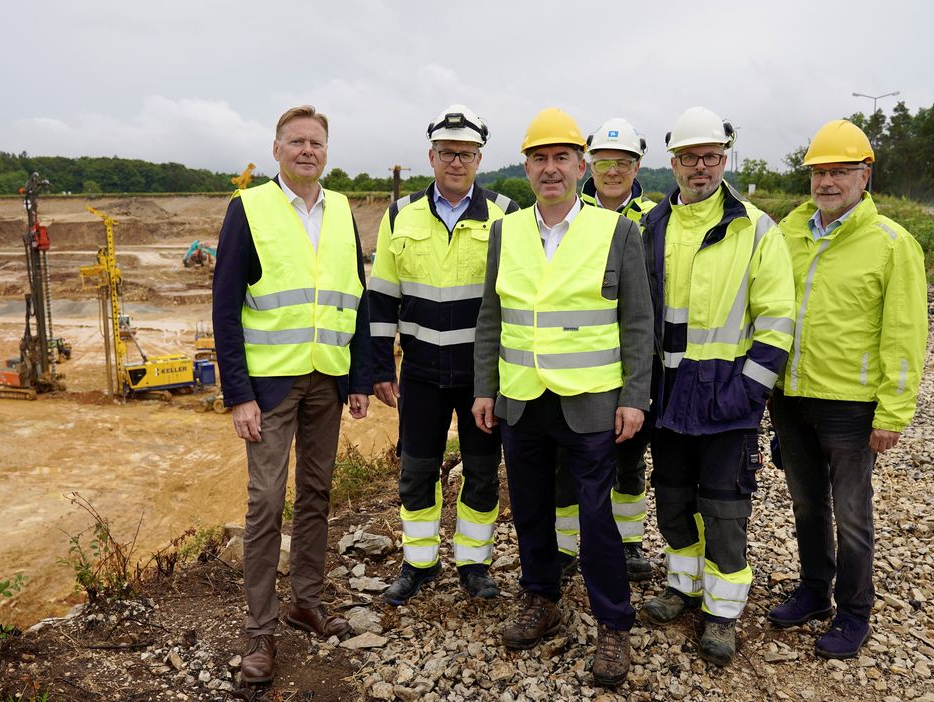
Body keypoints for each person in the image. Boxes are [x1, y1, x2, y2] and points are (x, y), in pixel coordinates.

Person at [472, 108, 653, 687]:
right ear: (525, 167)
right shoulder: (507, 230)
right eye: (539, 159)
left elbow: (638, 323)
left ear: (582, 165)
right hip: (522, 398)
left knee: (596, 516)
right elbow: (491, 317)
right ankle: (542, 597)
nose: (550, 170)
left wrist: (634, 397)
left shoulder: (618, 231)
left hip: (591, 401)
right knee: (528, 507)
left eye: (561, 159)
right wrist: (485, 389)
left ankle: (613, 622)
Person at [212, 105, 372, 685]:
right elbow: (225, 308)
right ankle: (261, 632)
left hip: (326, 379)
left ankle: (306, 600)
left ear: (326, 152)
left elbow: (355, 297)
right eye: (297, 141)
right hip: (270, 386)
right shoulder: (248, 209)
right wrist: (238, 394)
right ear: (277, 148)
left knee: (316, 494)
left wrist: (358, 379)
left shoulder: (342, 209)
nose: (308, 150)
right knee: (265, 504)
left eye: (317, 142)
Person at [638, 106, 796, 665]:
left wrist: (749, 392)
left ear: (724, 159)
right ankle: (684, 585)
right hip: (669, 392)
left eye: (710, 156)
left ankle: (724, 611)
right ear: (673, 163)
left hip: (727, 395)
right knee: (673, 500)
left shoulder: (755, 228)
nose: (699, 167)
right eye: (688, 157)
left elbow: (778, 319)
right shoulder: (652, 226)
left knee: (725, 508)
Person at [768, 119, 928, 659]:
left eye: (839, 171)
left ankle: (854, 611)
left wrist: (893, 411)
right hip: (790, 398)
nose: (827, 182)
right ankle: (814, 591)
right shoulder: (787, 234)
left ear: (865, 175)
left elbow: (905, 333)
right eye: (819, 172)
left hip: (851, 406)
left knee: (852, 514)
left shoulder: (891, 244)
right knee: (806, 505)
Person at [369, 105, 519, 606]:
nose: (457, 161)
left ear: (479, 158)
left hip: (482, 377)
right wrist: (378, 364)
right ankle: (419, 563)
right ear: (431, 156)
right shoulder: (401, 215)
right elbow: (383, 294)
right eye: (448, 153)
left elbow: (516, 299)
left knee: (480, 471)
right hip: (420, 373)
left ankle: (474, 563)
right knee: (416, 469)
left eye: (467, 153)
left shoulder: (505, 213)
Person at [554, 117, 656, 581]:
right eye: (603, 162)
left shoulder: (656, 218)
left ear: (637, 166)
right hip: (577, 362)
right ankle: (564, 545)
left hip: (632, 359)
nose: (612, 171)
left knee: (630, 459)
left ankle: (629, 543)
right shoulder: (566, 214)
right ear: (587, 165)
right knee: (567, 460)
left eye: (623, 163)